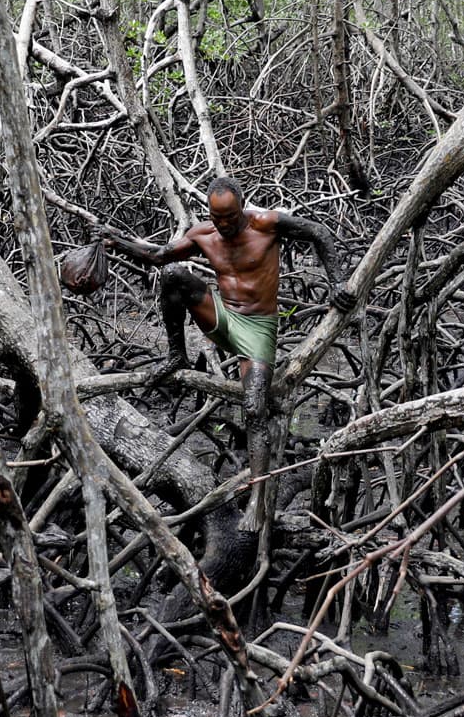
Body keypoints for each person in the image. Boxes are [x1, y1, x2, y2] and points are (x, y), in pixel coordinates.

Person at [103, 177, 349, 527]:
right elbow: (157, 256)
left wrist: (337, 282)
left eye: (231, 217)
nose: (225, 225)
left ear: (242, 207)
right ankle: (177, 356)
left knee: (254, 408)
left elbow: (319, 232)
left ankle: (258, 499)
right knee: (173, 274)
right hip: (221, 318)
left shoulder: (266, 223)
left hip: (258, 330)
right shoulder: (204, 234)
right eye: (218, 218)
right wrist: (116, 241)